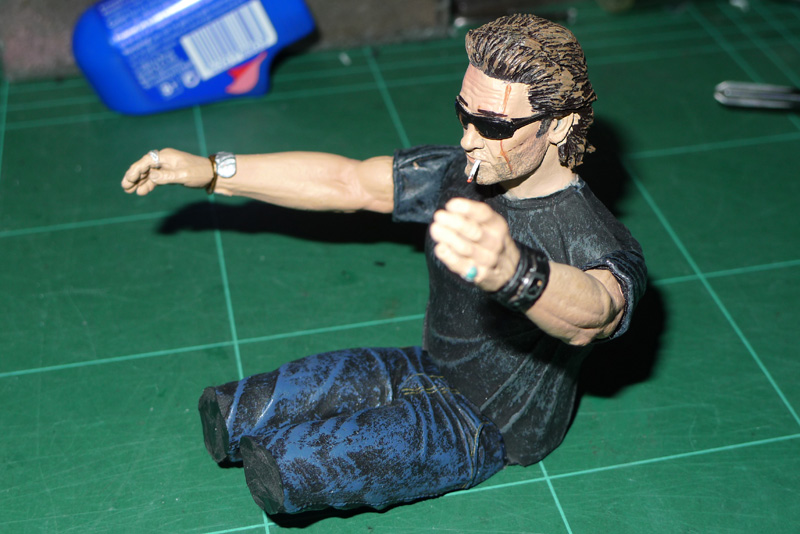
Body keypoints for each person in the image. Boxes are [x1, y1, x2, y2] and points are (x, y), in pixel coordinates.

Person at [122, 14, 646, 515]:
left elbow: (597, 314)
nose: (468, 139)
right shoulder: (462, 172)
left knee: (299, 464)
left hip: (490, 425)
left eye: (492, 125)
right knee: (253, 402)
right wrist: (214, 170)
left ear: (559, 125)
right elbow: (347, 182)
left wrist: (516, 273)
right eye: (464, 115)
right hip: (425, 363)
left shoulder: (592, 234)